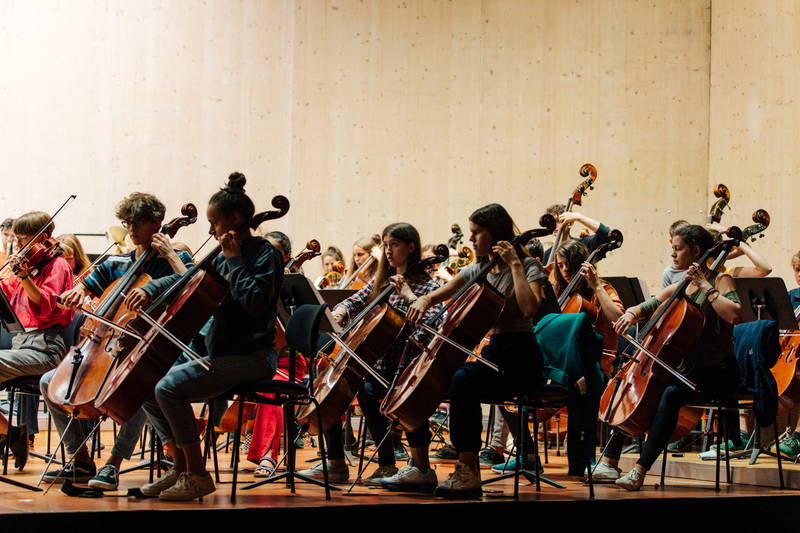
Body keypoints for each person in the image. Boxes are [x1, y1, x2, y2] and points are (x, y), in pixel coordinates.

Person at [123, 172, 283, 501]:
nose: (210, 230)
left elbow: (255, 301)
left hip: (253, 358)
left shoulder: (264, 255)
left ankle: (196, 474)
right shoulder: (222, 254)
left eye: (214, 222)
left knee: (169, 387)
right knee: (151, 383)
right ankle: (180, 470)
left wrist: (235, 260)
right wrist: (149, 290)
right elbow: (188, 279)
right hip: (223, 356)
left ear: (235, 219)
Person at [380, 203, 548, 498]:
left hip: (522, 357)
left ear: (495, 234)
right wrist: (418, 300)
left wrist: (517, 265)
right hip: (496, 353)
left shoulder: (529, 267)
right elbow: (437, 295)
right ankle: (420, 466)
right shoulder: (479, 269)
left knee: (463, 380)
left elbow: (529, 307)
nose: (471, 240)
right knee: (442, 378)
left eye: (476, 233)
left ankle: (468, 471)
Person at [41, 193, 193, 489]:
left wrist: (173, 256)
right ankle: (79, 459)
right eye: (127, 223)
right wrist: (78, 293)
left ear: (157, 223)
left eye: (137, 223)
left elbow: (192, 283)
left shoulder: (176, 261)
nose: (131, 230)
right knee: (49, 382)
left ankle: (113, 463)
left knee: (131, 386)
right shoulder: (117, 263)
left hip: (154, 351)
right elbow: (85, 286)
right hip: (107, 347)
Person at [592, 224, 742, 491]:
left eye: (678, 249)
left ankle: (640, 469)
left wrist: (705, 285)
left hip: (716, 372)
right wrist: (633, 313)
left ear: (696, 250)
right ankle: (610, 461)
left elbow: (734, 314)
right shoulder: (683, 282)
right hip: (687, 370)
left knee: (669, 393)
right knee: (648, 388)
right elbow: (654, 302)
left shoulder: (720, 280)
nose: (673, 255)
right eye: (672, 249)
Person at [298, 223, 444, 485]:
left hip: (406, 366)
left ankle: (402, 466)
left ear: (411, 247)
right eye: (386, 245)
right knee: (330, 384)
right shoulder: (383, 283)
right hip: (377, 363)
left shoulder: (426, 287)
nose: (388, 251)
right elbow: (354, 300)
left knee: (368, 390)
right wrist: (341, 310)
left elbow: (433, 325)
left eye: (394, 245)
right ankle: (336, 462)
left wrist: (409, 296)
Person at [0, 212, 74, 470]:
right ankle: (11, 433)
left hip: (46, 348)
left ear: (41, 237)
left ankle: (10, 435)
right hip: (20, 346)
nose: (19, 246)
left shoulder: (57, 265)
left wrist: (24, 278)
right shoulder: (29, 267)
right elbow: (6, 294)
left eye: (23, 239)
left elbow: (45, 307)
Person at [542, 204, 612, 264]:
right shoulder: (547, 254)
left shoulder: (583, 245)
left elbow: (607, 235)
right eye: (550, 223)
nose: (553, 225)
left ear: (570, 223)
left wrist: (579, 217)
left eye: (558, 221)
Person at [661, 220, 690, 288]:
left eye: (678, 248)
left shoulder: (701, 268)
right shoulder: (668, 273)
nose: (673, 255)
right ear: (671, 242)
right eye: (674, 247)